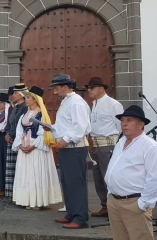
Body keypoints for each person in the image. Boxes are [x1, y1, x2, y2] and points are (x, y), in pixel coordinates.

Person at [105, 105, 157, 240]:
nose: (124, 124)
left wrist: (144, 203)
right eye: (122, 120)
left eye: (129, 120)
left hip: (134, 202)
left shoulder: (150, 147)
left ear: (141, 124)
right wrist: (110, 191)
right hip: (115, 201)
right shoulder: (121, 142)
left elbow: (156, 178)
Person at [49, 74, 91, 229]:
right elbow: (66, 124)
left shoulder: (76, 102)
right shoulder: (67, 102)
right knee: (67, 182)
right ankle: (71, 213)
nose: (54, 90)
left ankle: (80, 217)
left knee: (76, 183)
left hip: (75, 148)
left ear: (65, 87)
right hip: (67, 148)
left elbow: (81, 126)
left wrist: (65, 138)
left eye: (56, 87)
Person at [12, 86, 62, 209]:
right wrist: (20, 144)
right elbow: (19, 130)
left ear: (35, 99)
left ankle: (38, 201)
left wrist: (33, 146)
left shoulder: (41, 115)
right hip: (24, 147)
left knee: (36, 173)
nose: (26, 99)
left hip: (36, 149)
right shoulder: (25, 114)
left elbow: (43, 132)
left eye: (28, 97)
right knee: (26, 174)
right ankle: (27, 200)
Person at [86, 77, 124, 217]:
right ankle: (105, 206)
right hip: (96, 145)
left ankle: (115, 208)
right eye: (89, 88)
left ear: (101, 88)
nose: (89, 90)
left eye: (92, 87)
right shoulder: (94, 104)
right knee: (98, 178)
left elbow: (120, 127)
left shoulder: (113, 104)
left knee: (109, 177)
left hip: (108, 145)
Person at [5, 84, 27, 199]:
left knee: (19, 167)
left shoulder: (24, 107)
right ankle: (12, 193)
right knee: (12, 169)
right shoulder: (15, 107)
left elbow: (20, 124)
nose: (13, 95)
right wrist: (7, 133)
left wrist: (11, 135)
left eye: (15, 93)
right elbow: (9, 123)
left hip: (18, 140)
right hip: (11, 139)